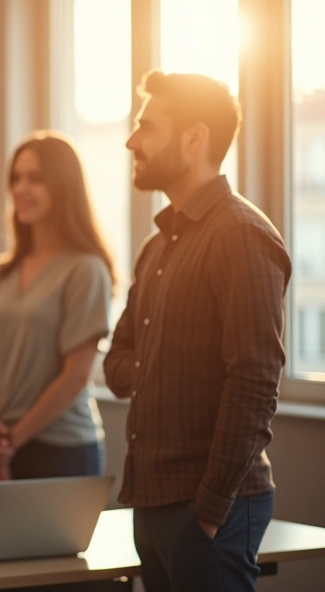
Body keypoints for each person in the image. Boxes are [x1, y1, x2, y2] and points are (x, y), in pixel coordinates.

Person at [105, 71, 290, 592]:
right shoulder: (157, 245)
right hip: (152, 501)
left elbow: (255, 383)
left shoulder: (241, 236)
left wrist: (209, 511)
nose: (131, 140)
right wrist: (164, 365)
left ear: (194, 138)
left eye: (147, 126)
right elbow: (117, 365)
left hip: (210, 507)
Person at [0, 131, 114, 493]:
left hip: (61, 450)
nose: (21, 188)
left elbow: (76, 374)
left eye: (36, 178)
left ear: (63, 186)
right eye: (17, 177)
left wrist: (11, 441)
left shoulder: (86, 269)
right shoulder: (1, 270)